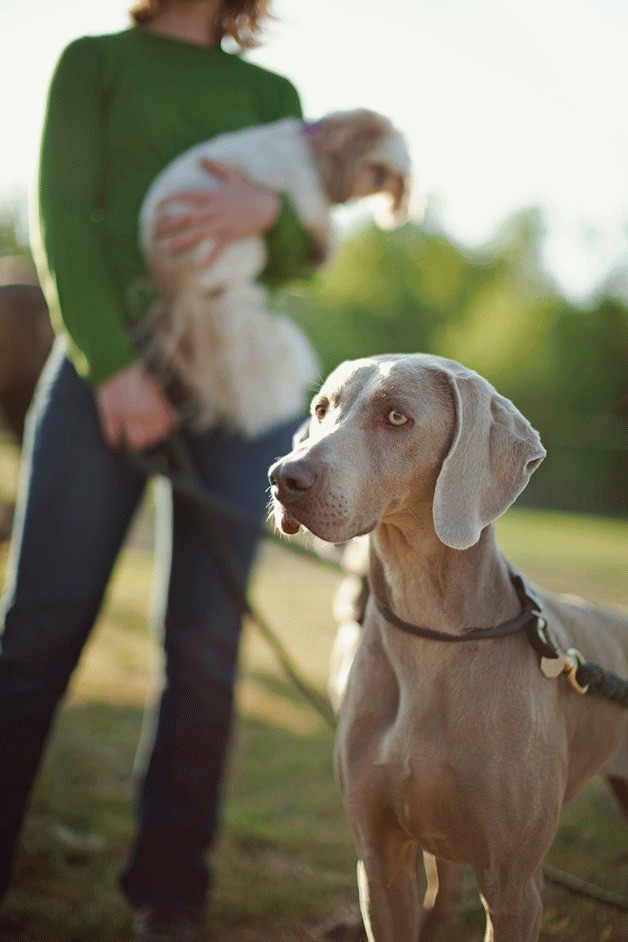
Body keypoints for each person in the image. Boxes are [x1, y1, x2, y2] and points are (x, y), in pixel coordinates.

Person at [0, 2, 319, 939]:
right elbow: (61, 216)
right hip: (109, 367)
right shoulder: (94, 62)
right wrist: (114, 369)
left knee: (206, 650)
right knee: (38, 636)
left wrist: (273, 214)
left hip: (238, 379)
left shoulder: (271, 93)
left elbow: (301, 256)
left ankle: (171, 893)